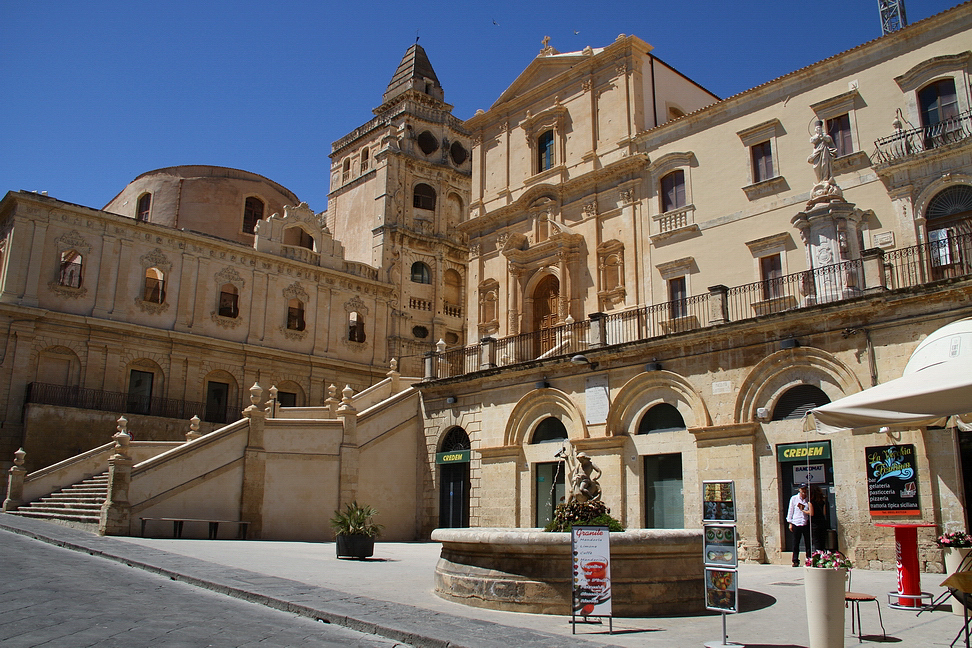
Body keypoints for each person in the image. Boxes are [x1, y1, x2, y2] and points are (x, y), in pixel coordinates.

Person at [786, 483, 813, 567]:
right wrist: (790, 523)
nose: (804, 491)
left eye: (805, 489)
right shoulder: (794, 499)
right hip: (796, 522)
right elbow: (790, 510)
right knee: (795, 543)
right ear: (799, 490)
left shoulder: (808, 500)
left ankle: (808, 559)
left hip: (805, 523)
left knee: (808, 543)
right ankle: (795, 560)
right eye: (802, 489)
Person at [809, 484, 829, 551]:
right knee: (822, 541)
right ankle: (823, 556)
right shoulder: (822, 502)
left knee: (816, 541)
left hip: (815, 524)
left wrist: (803, 511)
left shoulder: (811, 502)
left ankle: (817, 556)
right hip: (822, 522)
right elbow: (824, 513)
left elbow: (811, 513)